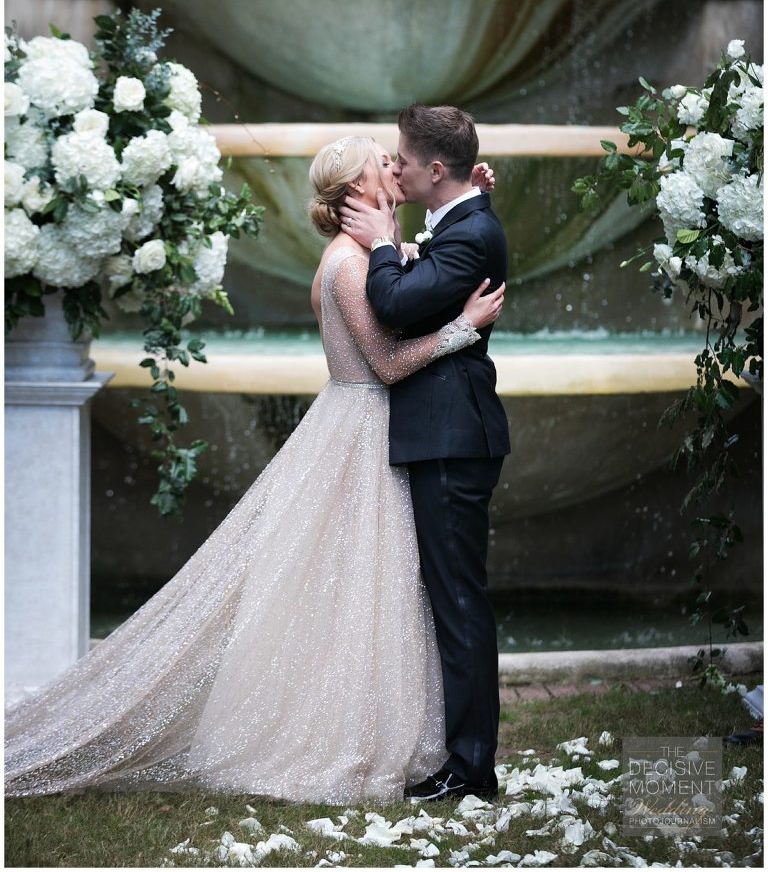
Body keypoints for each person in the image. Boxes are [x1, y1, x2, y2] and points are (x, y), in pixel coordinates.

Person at [5, 137, 505, 801]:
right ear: (358, 188)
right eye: (383, 162)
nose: (396, 166)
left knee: (368, 589)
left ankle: (391, 731)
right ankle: (333, 737)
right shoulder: (348, 266)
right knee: (351, 588)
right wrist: (462, 327)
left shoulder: (369, 253)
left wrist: (469, 198)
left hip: (375, 428)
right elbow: (384, 365)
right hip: (361, 427)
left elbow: (427, 263)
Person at [340, 104, 510, 802]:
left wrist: (382, 242)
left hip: (451, 436)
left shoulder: (469, 233)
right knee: (452, 598)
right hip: (444, 432)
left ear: (436, 170)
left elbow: (394, 305)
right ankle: (463, 757)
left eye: (404, 161)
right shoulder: (465, 219)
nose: (397, 169)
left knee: (460, 602)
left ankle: (471, 769)